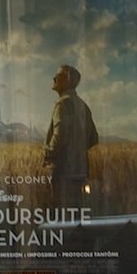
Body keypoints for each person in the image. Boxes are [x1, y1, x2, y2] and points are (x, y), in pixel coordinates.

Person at [42, 64, 98, 211]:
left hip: (63, 170)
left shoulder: (62, 104)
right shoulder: (82, 105)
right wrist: (77, 148)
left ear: (68, 81)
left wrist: (47, 152)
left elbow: (59, 136)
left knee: (61, 211)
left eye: (59, 76)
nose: (54, 78)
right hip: (80, 169)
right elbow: (93, 138)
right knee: (76, 210)